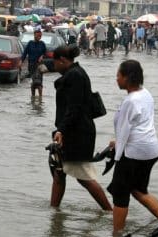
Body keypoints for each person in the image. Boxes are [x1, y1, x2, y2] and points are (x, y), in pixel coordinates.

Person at [51, 45, 112, 210]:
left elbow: (74, 108)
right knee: (59, 172)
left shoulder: (75, 76)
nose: (53, 66)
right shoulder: (75, 73)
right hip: (71, 130)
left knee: (83, 176)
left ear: (62, 60)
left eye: (55, 62)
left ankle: (109, 211)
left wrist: (61, 130)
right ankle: (54, 213)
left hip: (76, 133)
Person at [107, 60, 158, 234]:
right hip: (151, 150)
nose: (116, 79)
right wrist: (117, 142)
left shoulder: (130, 101)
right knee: (138, 190)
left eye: (118, 75)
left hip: (134, 153)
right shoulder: (146, 93)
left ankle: (117, 235)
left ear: (127, 78)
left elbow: (124, 132)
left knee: (120, 194)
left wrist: (115, 158)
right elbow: (139, 124)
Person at [21, 29, 46, 97]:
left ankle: (40, 97)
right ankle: (33, 96)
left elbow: (45, 53)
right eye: (38, 36)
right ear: (34, 35)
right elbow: (25, 53)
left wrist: (42, 56)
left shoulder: (42, 44)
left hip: (39, 66)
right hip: (31, 65)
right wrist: (21, 62)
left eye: (40, 36)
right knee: (34, 82)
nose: (39, 37)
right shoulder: (30, 43)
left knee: (39, 82)